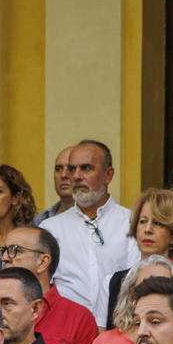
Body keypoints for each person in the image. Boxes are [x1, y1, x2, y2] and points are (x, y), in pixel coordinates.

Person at [39, 140, 139, 330]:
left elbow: (135, 281)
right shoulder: (50, 229)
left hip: (121, 331)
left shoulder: (132, 222)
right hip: (65, 334)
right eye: (71, 169)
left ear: (108, 175)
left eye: (86, 168)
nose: (75, 176)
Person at [1, 224, 99, 344]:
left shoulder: (78, 318)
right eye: (4, 250)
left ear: (42, 262)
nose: (5, 258)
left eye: (15, 250)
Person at [103, 188, 173, 322]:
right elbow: (102, 339)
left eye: (157, 223)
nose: (147, 229)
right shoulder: (111, 283)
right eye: (142, 221)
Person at [39, 146, 75, 221]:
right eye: (58, 169)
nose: (63, 175)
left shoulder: (100, 218)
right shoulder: (41, 220)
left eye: (71, 169)